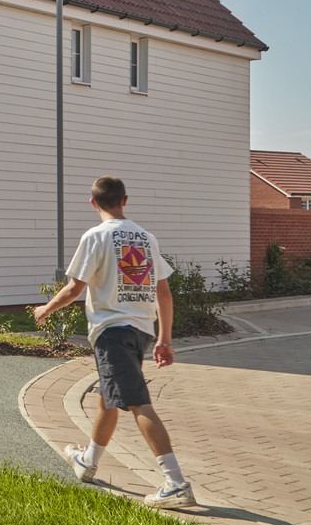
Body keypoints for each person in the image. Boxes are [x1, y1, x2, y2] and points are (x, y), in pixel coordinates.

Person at [34, 176, 195, 508]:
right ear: (125, 199)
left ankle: (176, 482)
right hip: (141, 330)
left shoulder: (95, 236)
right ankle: (88, 461)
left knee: (137, 402)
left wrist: (47, 307)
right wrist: (164, 339)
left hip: (112, 331)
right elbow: (163, 293)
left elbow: (75, 288)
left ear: (93, 203)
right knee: (108, 397)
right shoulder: (146, 238)